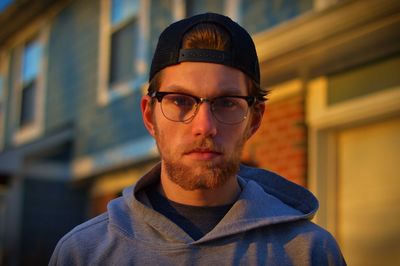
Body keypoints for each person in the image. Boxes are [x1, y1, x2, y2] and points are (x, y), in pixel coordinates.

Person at [50, 13, 346, 265]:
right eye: (180, 101)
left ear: (254, 119)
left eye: (227, 102)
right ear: (150, 116)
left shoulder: (310, 252)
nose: (204, 126)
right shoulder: (82, 253)